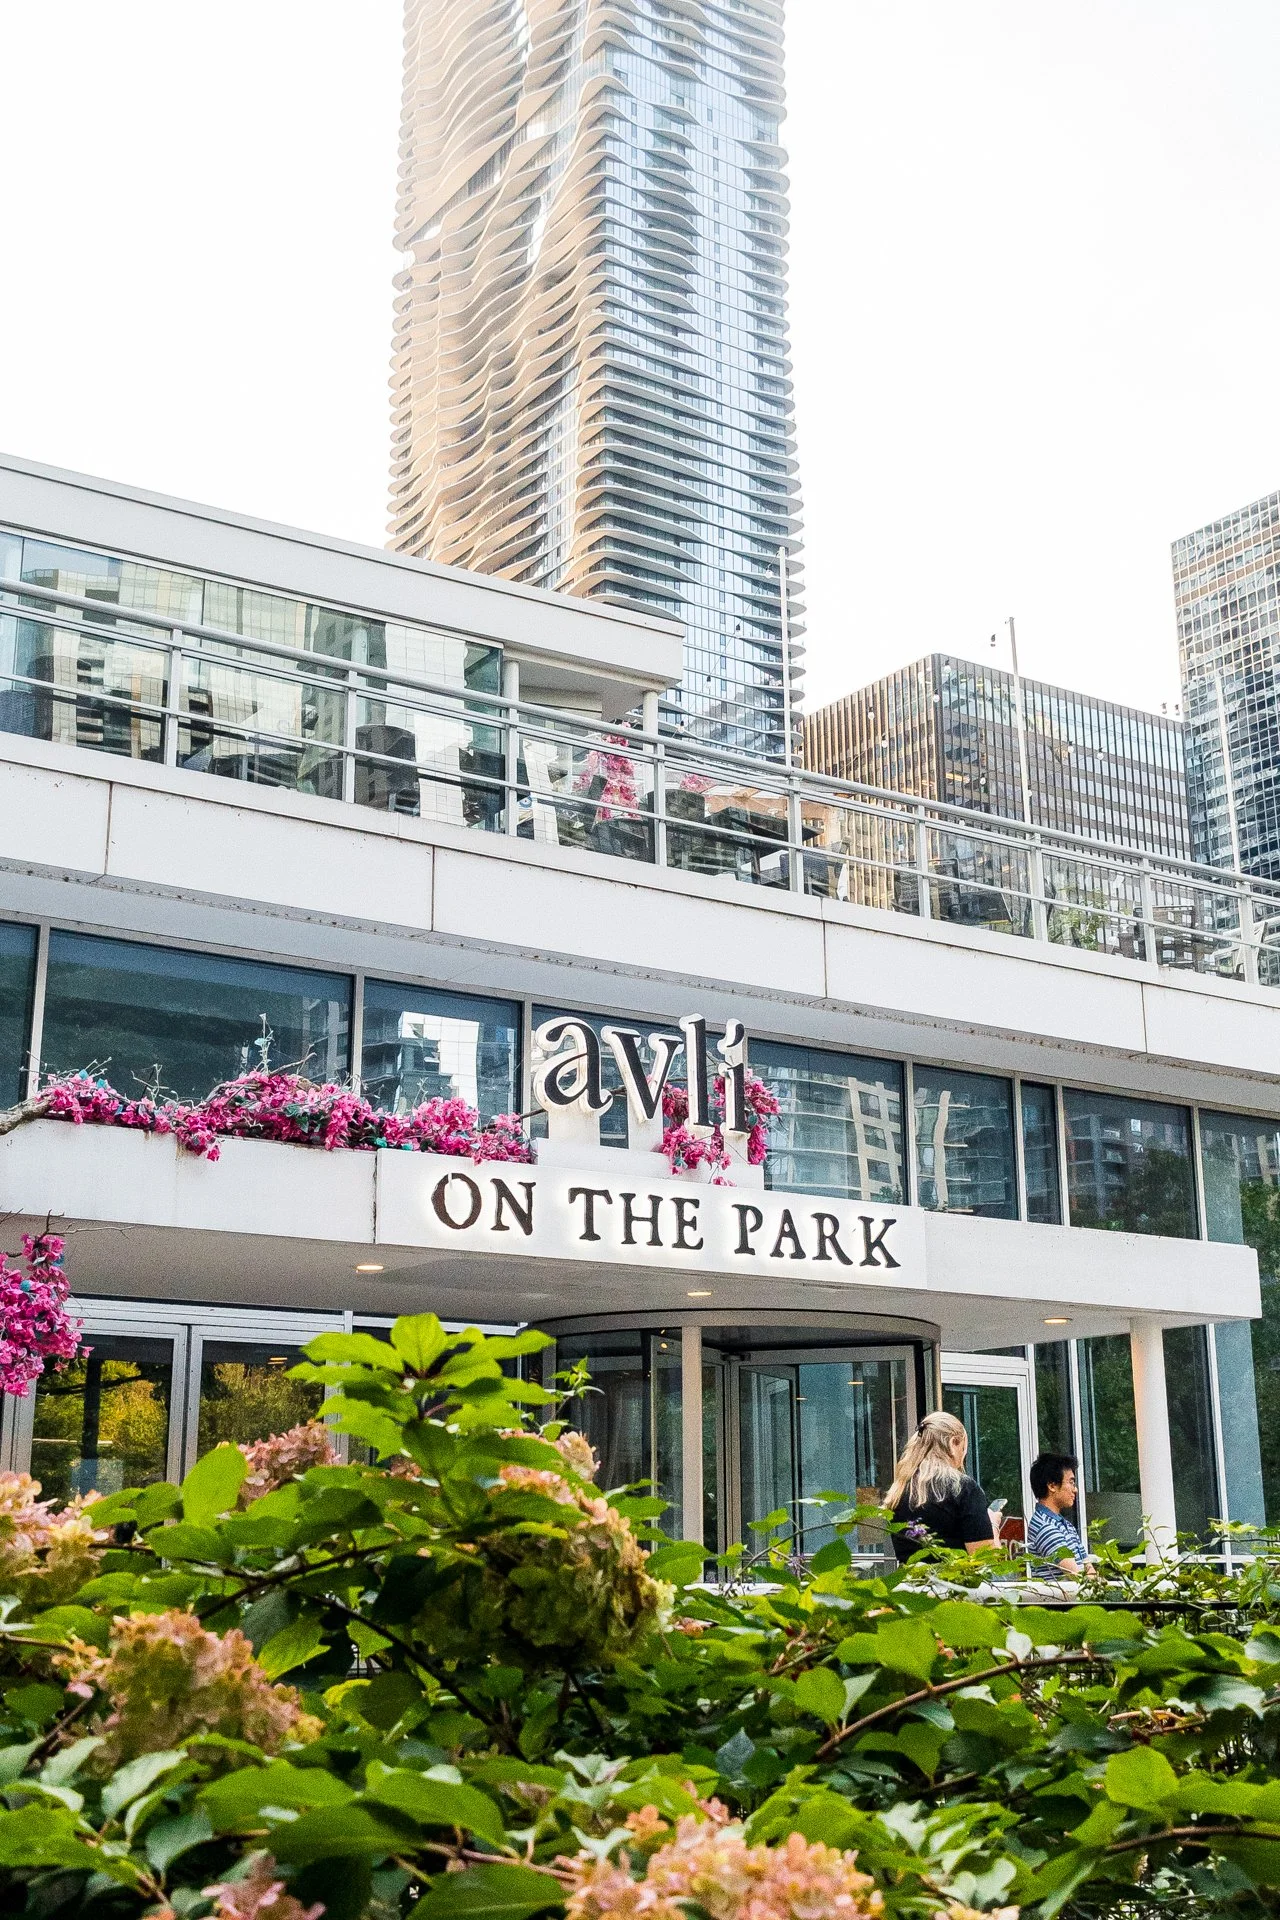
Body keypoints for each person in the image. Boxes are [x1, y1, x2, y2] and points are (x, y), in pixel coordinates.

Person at [885, 1410, 997, 1563]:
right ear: (953, 1443)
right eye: (963, 1448)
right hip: (955, 1584)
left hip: (911, 1583)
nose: (963, 1456)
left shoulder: (899, 1491)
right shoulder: (963, 1488)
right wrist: (993, 1524)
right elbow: (985, 1560)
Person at [1027, 1452, 1090, 1573]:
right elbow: (1077, 1575)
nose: (1075, 1489)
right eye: (1071, 1482)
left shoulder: (1065, 1525)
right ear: (1052, 1486)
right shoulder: (1044, 1526)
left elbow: (1088, 1567)